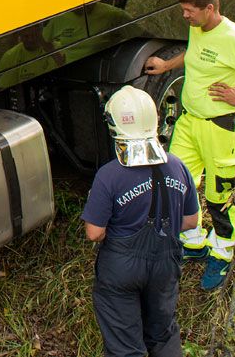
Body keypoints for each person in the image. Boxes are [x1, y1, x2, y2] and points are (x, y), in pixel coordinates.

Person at [141, 0, 235, 290]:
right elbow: (193, 54)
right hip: (190, 123)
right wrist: (166, 65)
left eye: (189, 11)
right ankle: (193, 244)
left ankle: (222, 254)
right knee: (179, 184)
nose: (185, 17)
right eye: (183, 11)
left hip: (221, 128)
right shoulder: (198, 27)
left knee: (220, 196)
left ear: (210, 9)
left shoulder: (234, 38)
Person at [83, 85, 200, 357]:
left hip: (121, 268)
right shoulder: (177, 166)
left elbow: (94, 233)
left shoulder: (109, 175)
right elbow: (191, 220)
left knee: (125, 348)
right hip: (165, 264)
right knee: (163, 335)